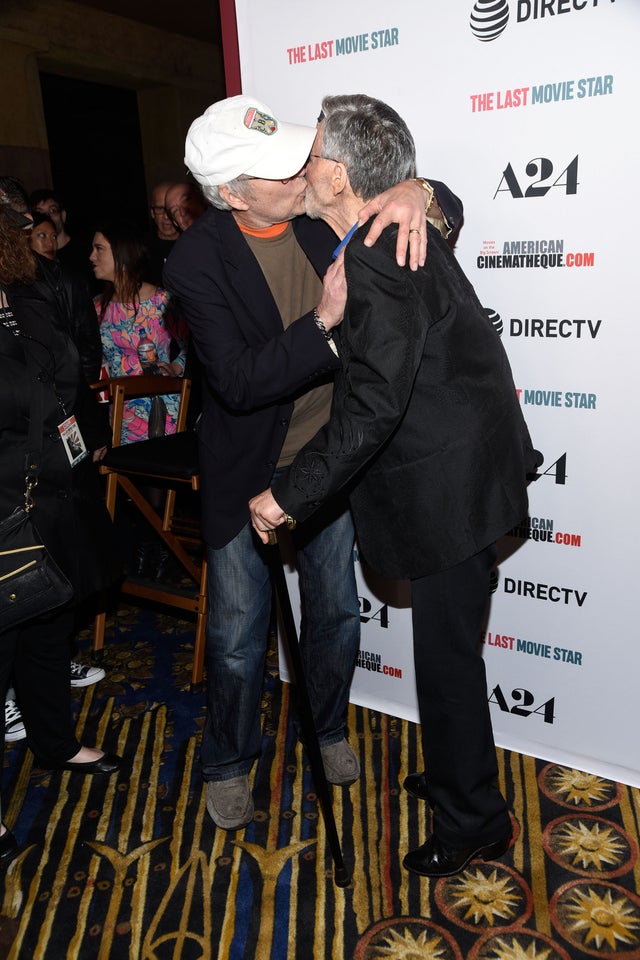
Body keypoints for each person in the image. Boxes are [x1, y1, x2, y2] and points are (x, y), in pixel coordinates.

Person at [249, 94, 541, 878]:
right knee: (451, 657)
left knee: (446, 665)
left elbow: (373, 406)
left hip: (453, 488)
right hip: (474, 471)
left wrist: (289, 496)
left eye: (311, 155)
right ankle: (457, 773)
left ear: (339, 174)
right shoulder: (397, 223)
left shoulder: (377, 246)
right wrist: (422, 189)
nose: (301, 167)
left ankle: (474, 821)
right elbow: (442, 205)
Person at [163, 94, 460, 831]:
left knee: (333, 617)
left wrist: (414, 192)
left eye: (296, 152)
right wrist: (324, 323)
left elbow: (443, 200)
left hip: (328, 465)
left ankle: (326, 729)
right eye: (273, 170)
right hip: (248, 473)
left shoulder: (312, 211)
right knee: (236, 638)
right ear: (230, 194)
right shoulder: (195, 261)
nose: (299, 171)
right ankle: (230, 760)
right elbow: (235, 382)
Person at [0, 205, 123, 866]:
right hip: (1, 501)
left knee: (49, 619)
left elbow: (68, 374)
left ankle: (54, 741)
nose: (27, 236)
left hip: (48, 490)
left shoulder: (23, 299)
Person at [91, 221, 189, 444]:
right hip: (119, 413)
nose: (91, 256)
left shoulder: (162, 301)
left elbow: (193, 345)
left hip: (161, 408)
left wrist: (175, 367)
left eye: (99, 249)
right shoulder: (96, 307)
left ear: (121, 253)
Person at [146, 182, 180, 286]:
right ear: (152, 213)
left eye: (171, 209)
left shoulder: (195, 244)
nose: (166, 216)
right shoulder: (142, 248)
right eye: (160, 209)